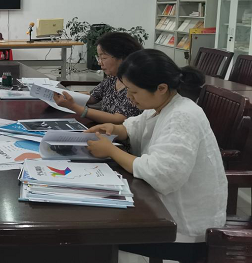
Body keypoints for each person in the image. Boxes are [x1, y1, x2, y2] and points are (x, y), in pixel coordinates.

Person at [85, 49, 226, 263]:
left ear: (161, 88)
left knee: (95, 236)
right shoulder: (161, 106)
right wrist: (114, 129)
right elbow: (135, 126)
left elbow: (162, 174)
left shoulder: (183, 116)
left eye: (134, 92)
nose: (130, 98)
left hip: (183, 229)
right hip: (162, 210)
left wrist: (111, 150)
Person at [53, 32, 143, 123]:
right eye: (98, 57)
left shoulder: (136, 85)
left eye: (103, 58)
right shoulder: (113, 78)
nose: (99, 62)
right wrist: (65, 95)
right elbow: (93, 97)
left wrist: (74, 107)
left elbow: (118, 119)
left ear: (123, 58)